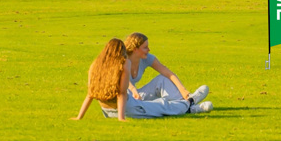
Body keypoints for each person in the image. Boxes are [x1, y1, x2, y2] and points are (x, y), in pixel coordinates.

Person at [70, 38, 212, 121]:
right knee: (162, 106)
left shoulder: (96, 65)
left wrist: (79, 117)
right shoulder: (123, 63)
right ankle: (190, 105)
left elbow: (90, 94)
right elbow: (122, 94)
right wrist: (121, 118)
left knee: (157, 105)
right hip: (127, 108)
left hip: (107, 111)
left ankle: (188, 104)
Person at [125, 32, 209, 106]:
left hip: (137, 96)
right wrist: (133, 90)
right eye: (145, 47)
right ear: (135, 49)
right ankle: (189, 106)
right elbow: (122, 79)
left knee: (162, 79)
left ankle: (187, 101)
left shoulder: (147, 58)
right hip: (124, 97)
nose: (149, 50)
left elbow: (169, 73)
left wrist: (183, 91)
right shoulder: (122, 60)